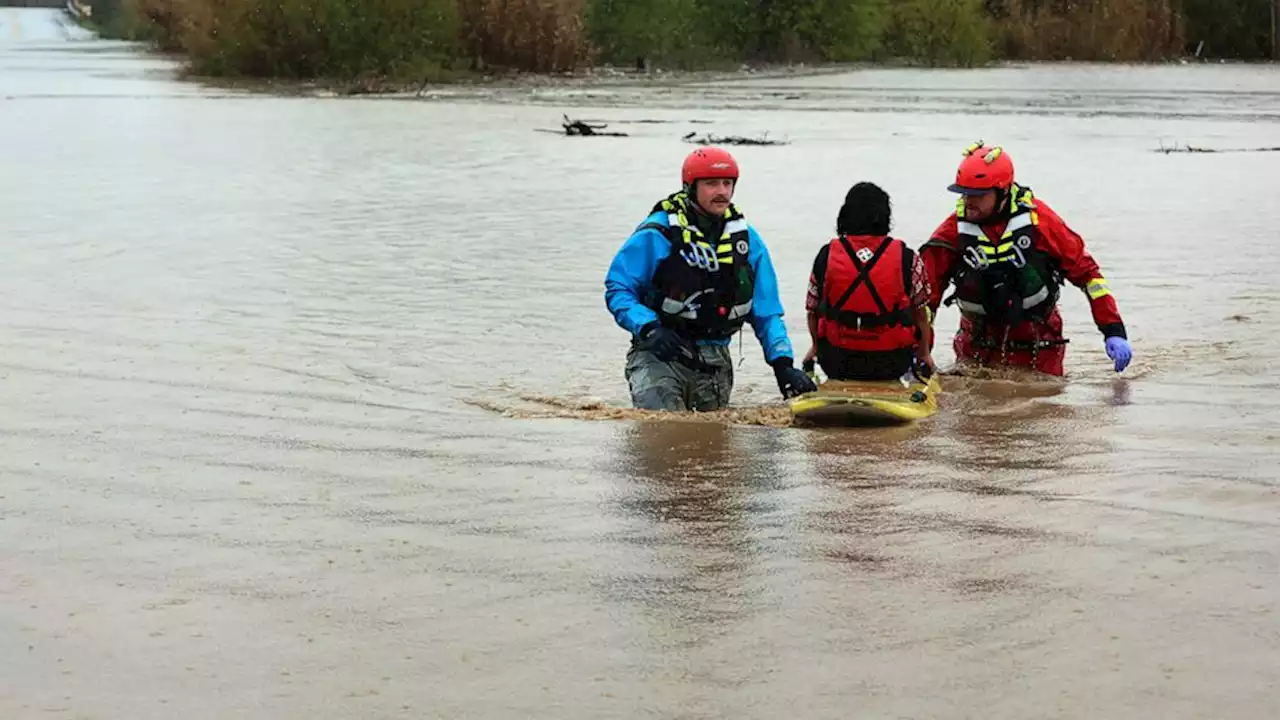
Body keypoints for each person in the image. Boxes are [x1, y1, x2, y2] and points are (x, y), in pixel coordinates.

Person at [604, 147, 816, 411]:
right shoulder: (657, 233)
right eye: (712, 183)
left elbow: (767, 312)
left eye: (728, 183)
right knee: (664, 432)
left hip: (715, 361)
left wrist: (782, 364)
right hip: (659, 354)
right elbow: (618, 289)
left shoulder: (748, 242)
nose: (722, 192)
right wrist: (648, 327)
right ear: (690, 187)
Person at [920, 141, 1133, 376]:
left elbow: (1089, 277)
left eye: (979, 195)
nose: (969, 201)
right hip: (976, 349)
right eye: (965, 193)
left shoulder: (1042, 224)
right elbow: (924, 302)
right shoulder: (951, 234)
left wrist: (1113, 330)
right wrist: (919, 353)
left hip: (1040, 347)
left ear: (1002, 191)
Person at [802, 181, 936, 382]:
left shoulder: (826, 255)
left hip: (836, 362)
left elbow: (812, 310)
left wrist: (815, 347)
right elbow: (921, 314)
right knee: (921, 309)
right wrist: (924, 354)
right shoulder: (908, 257)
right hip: (891, 363)